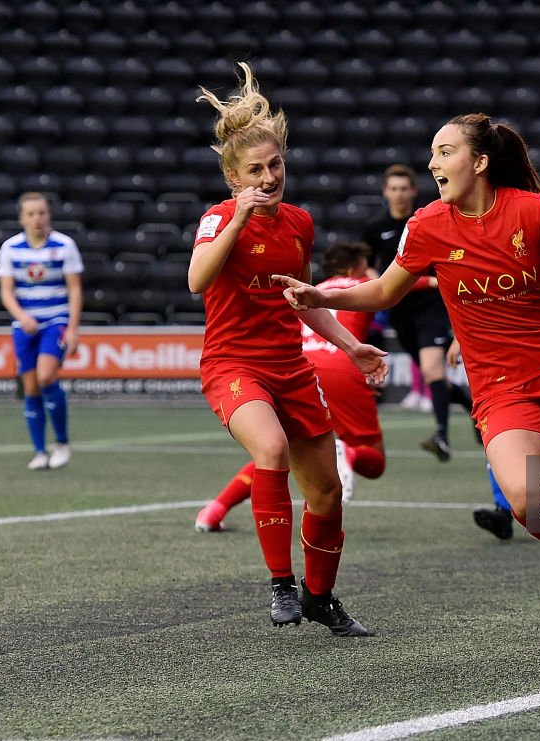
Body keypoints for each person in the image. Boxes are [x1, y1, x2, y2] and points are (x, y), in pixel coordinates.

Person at [274, 113, 540, 665]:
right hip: (500, 385)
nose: (432, 163)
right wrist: (320, 297)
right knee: (526, 502)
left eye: (444, 152)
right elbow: (383, 292)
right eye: (432, 153)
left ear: (480, 161)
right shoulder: (425, 224)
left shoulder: (533, 208)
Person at [190, 63, 387, 637]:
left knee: (326, 492)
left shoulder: (299, 222)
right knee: (270, 449)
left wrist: (353, 347)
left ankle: (320, 597)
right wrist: (238, 220)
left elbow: (302, 300)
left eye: (275, 164)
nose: (269, 176)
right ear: (233, 178)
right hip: (233, 365)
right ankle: (281, 584)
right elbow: (198, 280)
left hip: (291, 368)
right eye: (255, 170)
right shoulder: (218, 218)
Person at [194, 242, 387, 530]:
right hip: (341, 363)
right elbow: (395, 286)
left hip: (303, 363)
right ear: (353, 268)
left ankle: (215, 509)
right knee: (374, 462)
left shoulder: (313, 286)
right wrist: (433, 279)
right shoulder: (362, 283)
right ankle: (347, 452)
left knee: (280, 452)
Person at [451, 252, 540, 539]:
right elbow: (479, 298)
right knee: (499, 433)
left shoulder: (534, 225)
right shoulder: (480, 243)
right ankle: (503, 511)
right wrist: (460, 337)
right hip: (501, 358)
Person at [362, 164, 474, 460]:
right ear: (386, 192)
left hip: (430, 307)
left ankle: (442, 436)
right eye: (393, 189)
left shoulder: (424, 223)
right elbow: (368, 264)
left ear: (412, 191)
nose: (399, 194)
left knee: (432, 369)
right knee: (433, 374)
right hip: (399, 311)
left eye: (404, 188)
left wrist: (434, 281)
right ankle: (472, 408)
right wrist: (376, 277)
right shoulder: (375, 228)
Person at [0, 192, 82, 471]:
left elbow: (74, 289)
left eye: (42, 213)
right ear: (22, 218)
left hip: (55, 321)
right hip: (24, 326)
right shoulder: (10, 248)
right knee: (30, 386)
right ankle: (39, 451)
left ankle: (62, 442)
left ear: (49, 215)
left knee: (46, 376)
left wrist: (72, 329)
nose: (37, 218)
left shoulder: (64, 246)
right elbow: (7, 292)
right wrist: (21, 316)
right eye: (31, 214)